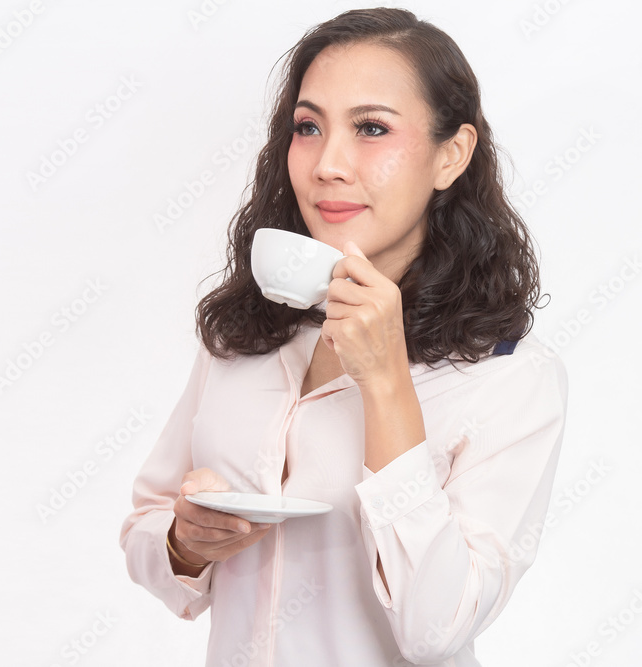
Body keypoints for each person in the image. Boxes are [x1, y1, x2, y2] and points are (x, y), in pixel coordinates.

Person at [119, 7, 568, 667]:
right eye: (308, 126)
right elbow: (146, 528)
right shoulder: (247, 336)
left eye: (371, 128)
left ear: (452, 154)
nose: (328, 163)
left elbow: (436, 627)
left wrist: (385, 383)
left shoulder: (510, 378)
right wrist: (185, 543)